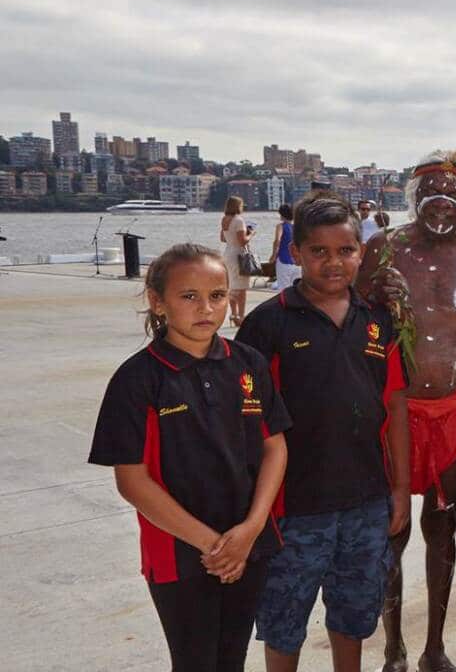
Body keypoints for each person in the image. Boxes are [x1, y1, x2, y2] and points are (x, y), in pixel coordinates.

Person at [88, 243, 289, 672]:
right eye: (189, 296)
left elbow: (275, 446)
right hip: (178, 552)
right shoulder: (138, 379)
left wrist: (251, 529)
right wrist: (214, 546)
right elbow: (132, 480)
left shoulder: (248, 363)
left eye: (217, 295)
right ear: (157, 301)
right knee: (195, 661)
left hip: (248, 543)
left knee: (231, 658)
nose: (206, 308)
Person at [236, 192, 412, 672]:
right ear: (296, 253)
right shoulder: (267, 323)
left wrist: (399, 488)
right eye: (319, 251)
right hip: (293, 507)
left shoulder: (377, 320)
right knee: (284, 618)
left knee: (353, 615)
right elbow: (246, 423)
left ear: (361, 251)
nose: (334, 262)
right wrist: (253, 508)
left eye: (345, 250)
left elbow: (395, 405)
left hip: (366, 500)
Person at [357, 147, 456, 672]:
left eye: (454, 193)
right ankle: (393, 648)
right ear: (413, 196)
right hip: (396, 409)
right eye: (431, 191)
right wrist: (372, 298)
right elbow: (354, 329)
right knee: (394, 525)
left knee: (442, 523)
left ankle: (434, 648)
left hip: (455, 409)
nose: (442, 201)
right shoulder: (383, 247)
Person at [220, 195, 255, 325]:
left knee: (232, 285)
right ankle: (241, 316)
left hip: (228, 253)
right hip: (238, 255)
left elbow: (223, 238)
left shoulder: (225, 219)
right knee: (241, 288)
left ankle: (233, 314)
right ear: (237, 206)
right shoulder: (239, 220)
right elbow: (242, 241)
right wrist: (251, 234)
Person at [268, 204, 300, 291]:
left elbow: (277, 241)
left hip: (283, 261)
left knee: (283, 289)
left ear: (281, 214)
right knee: (296, 290)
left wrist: (273, 255)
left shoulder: (281, 226)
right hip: (297, 262)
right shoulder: (297, 228)